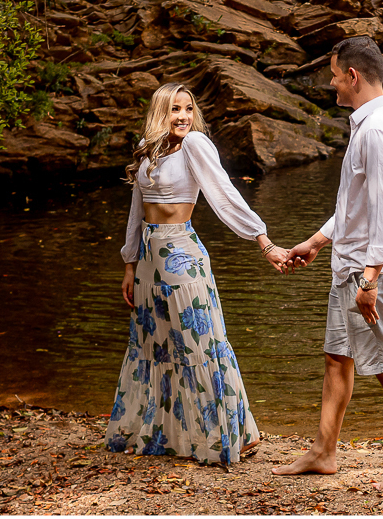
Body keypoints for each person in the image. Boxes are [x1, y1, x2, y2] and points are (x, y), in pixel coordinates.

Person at [273, 36, 383, 491]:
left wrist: (370, 279)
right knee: (336, 359)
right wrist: (316, 241)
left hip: (371, 274)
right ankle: (323, 452)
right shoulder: (366, 126)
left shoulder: (379, 130)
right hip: (352, 267)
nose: (330, 84)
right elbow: (357, 204)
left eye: (333, 75)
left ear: (352, 76)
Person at [105, 82, 290, 465]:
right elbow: (136, 211)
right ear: (160, 112)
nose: (183, 116)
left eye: (188, 108)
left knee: (199, 344)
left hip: (181, 257)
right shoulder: (149, 149)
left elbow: (224, 192)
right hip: (148, 261)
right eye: (175, 109)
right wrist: (129, 263)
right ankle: (164, 434)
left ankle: (232, 434)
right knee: (155, 347)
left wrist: (263, 240)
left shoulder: (195, 145)